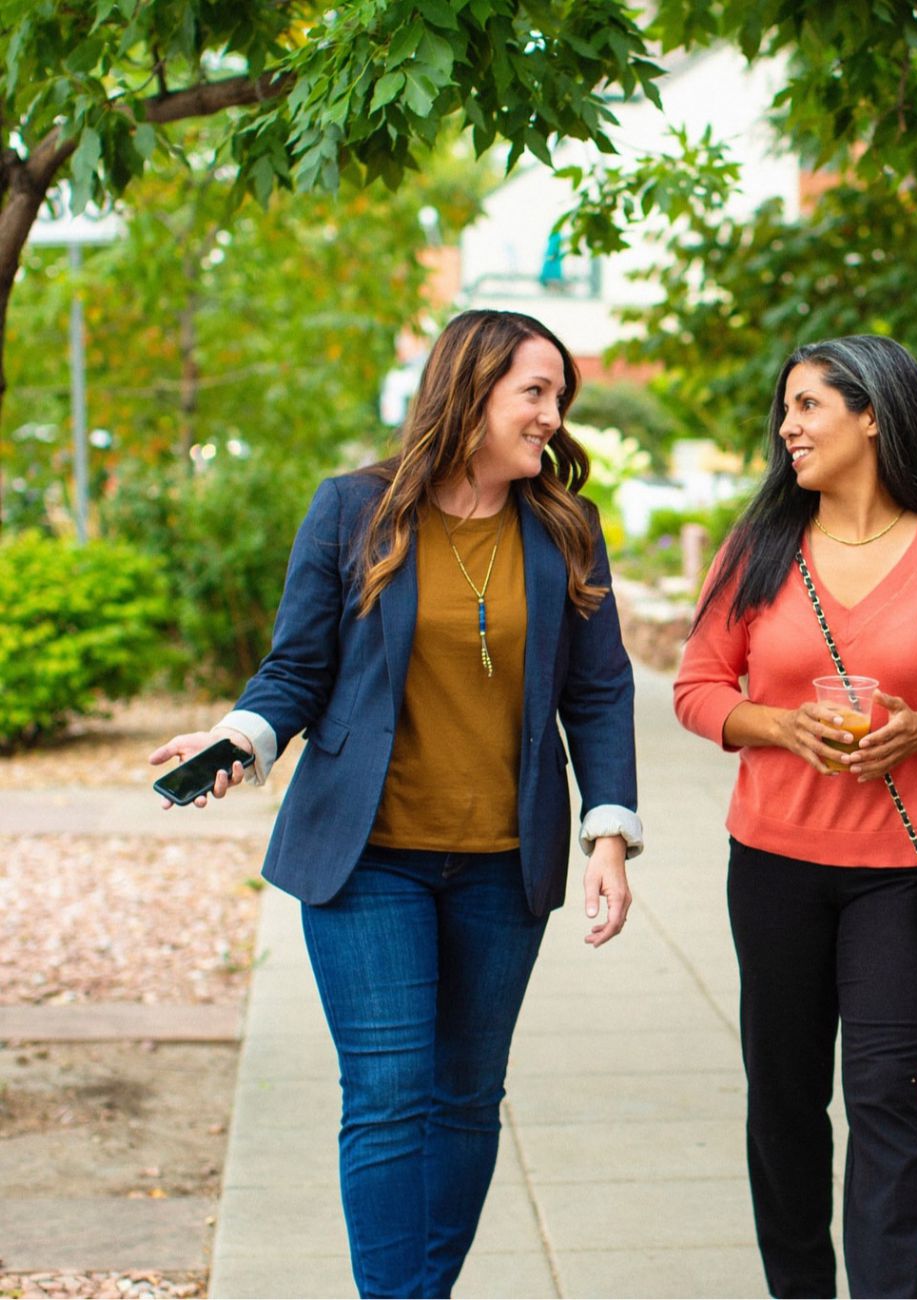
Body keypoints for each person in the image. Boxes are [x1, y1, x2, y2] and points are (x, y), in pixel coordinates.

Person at [149, 309, 642, 1298]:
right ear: (470, 391)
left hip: (504, 862)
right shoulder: (353, 510)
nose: (552, 415)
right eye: (534, 392)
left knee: (466, 1097)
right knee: (386, 1094)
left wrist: (608, 833)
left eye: (559, 396)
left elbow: (597, 691)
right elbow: (297, 667)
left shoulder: (564, 527)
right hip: (368, 855)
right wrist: (240, 737)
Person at [674, 335, 917, 1298]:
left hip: (902, 875)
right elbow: (699, 688)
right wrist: (780, 726)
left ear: (872, 414)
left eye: (808, 406)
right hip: (774, 867)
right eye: (784, 410)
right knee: (786, 1101)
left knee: (886, 1096)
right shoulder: (758, 550)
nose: (787, 428)